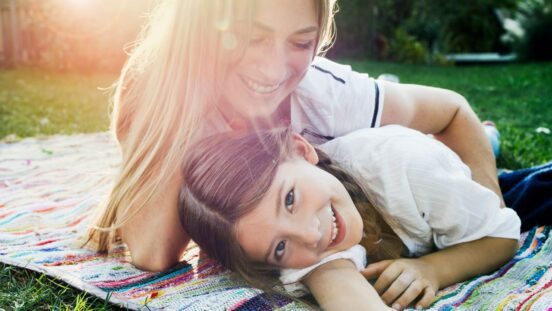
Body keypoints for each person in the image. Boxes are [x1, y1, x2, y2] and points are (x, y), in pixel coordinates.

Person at [85, 0, 503, 272]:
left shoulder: (323, 91)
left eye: (301, 42)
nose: (273, 70)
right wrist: (190, 101)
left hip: (398, 161)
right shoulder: (158, 94)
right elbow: (153, 252)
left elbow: (452, 109)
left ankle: (492, 139)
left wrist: (490, 210)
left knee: (464, 158)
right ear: (200, 34)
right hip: (362, 176)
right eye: (252, 39)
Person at [178, 126, 520, 310]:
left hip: (441, 163)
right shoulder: (290, 241)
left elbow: (502, 236)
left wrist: (432, 268)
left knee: (499, 158)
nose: (310, 235)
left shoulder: (410, 167)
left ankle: (488, 131)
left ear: (302, 150)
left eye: (291, 199)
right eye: (280, 247)